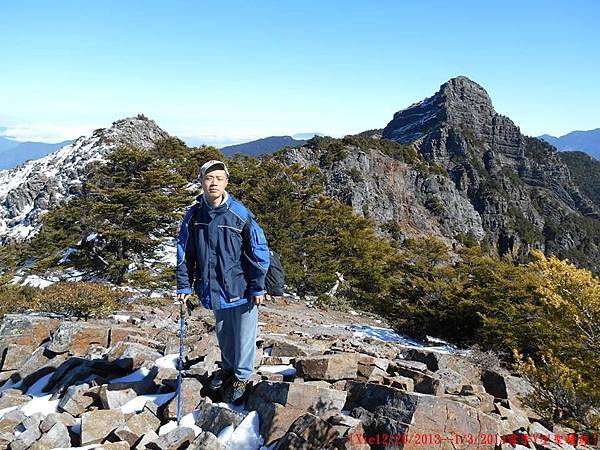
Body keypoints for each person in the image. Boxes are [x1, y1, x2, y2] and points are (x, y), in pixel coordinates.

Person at [175, 159, 270, 403]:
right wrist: (184, 284)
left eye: (219, 178)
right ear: (202, 182)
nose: (213, 182)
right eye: (209, 178)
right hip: (213, 288)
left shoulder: (239, 214)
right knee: (224, 332)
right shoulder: (195, 214)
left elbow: (259, 251)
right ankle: (228, 369)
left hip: (242, 287)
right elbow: (185, 251)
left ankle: (242, 376)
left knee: (244, 334)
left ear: (226, 181)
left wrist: (258, 286)